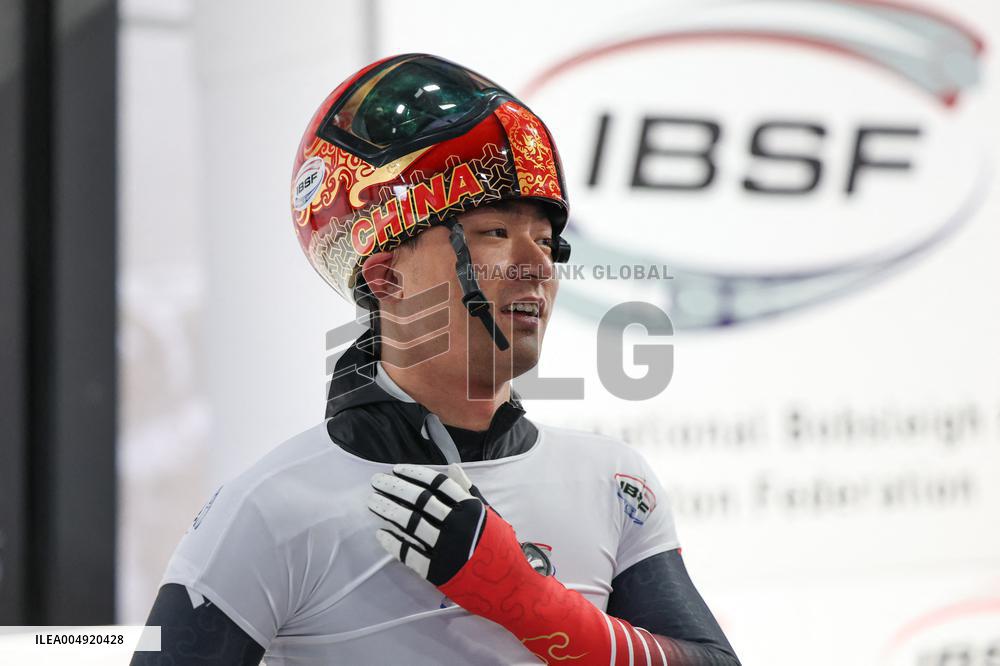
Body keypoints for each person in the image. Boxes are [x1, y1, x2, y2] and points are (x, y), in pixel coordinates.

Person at [132, 54, 740, 665]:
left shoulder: (612, 480)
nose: (538, 264)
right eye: (495, 233)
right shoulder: (270, 508)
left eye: (547, 239)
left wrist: (520, 597)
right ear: (385, 274)